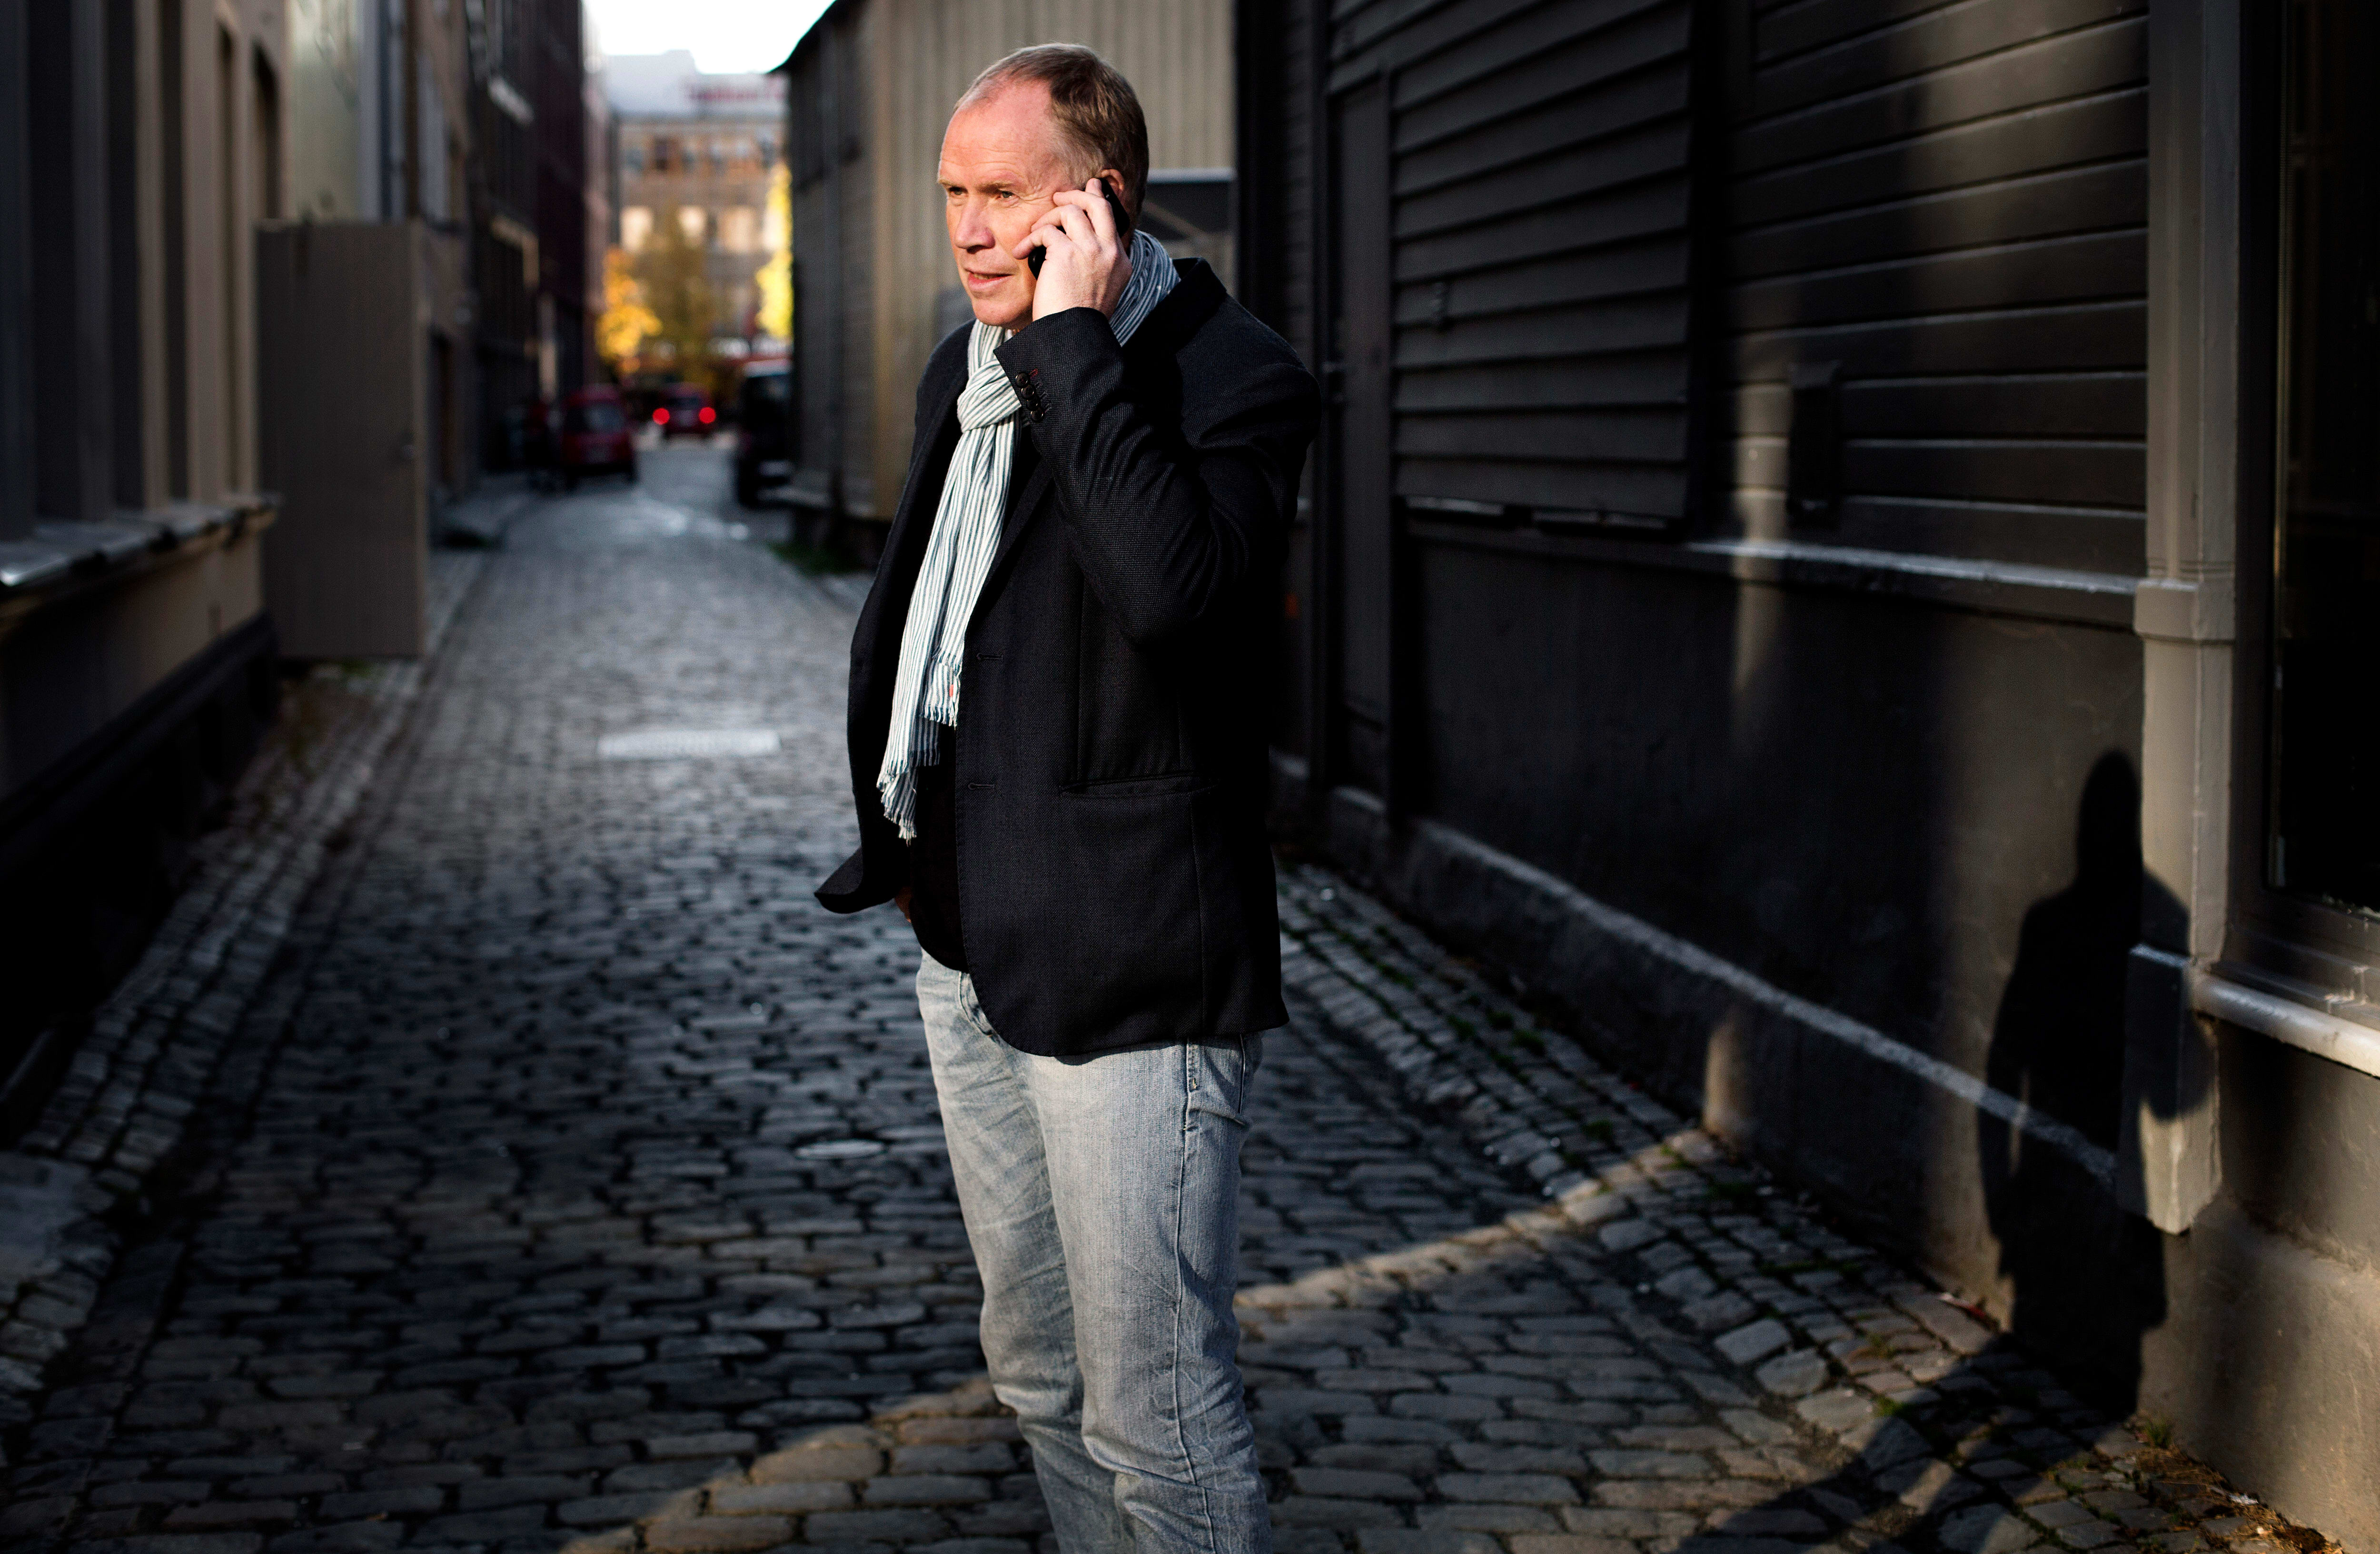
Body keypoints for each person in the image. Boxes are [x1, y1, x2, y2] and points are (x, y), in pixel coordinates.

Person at [815, 42, 1317, 1554]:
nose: (969, 232)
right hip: (971, 944)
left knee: (1155, 1413)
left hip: (1132, 963)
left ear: (1097, 204)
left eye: (1004, 195)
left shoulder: (1230, 373)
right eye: (951, 194)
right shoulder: (962, 372)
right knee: (1036, 1373)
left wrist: (1079, 344)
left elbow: (1178, 599)